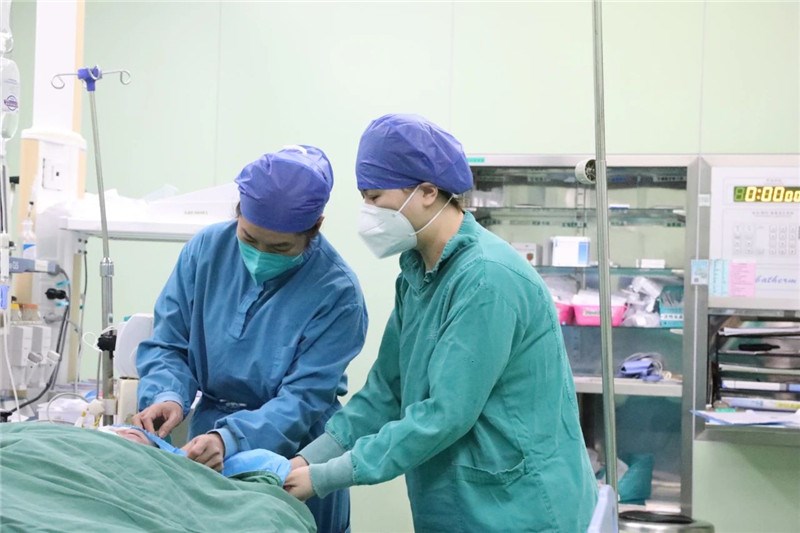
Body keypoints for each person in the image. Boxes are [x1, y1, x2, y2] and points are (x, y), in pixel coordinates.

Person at [283, 115, 598, 532]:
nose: (368, 212)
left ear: (428, 192)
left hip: (519, 507)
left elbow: (446, 413)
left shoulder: (487, 279)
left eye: (376, 197)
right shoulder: (417, 275)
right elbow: (386, 392)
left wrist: (327, 477)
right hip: (458, 504)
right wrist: (308, 459)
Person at [133, 145, 367, 533]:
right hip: (207, 443)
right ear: (238, 212)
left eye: (280, 248)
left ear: (316, 227)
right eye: (250, 239)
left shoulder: (337, 292)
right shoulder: (206, 251)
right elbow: (169, 344)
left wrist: (230, 439)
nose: (259, 255)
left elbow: (303, 398)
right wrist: (167, 395)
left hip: (294, 452)